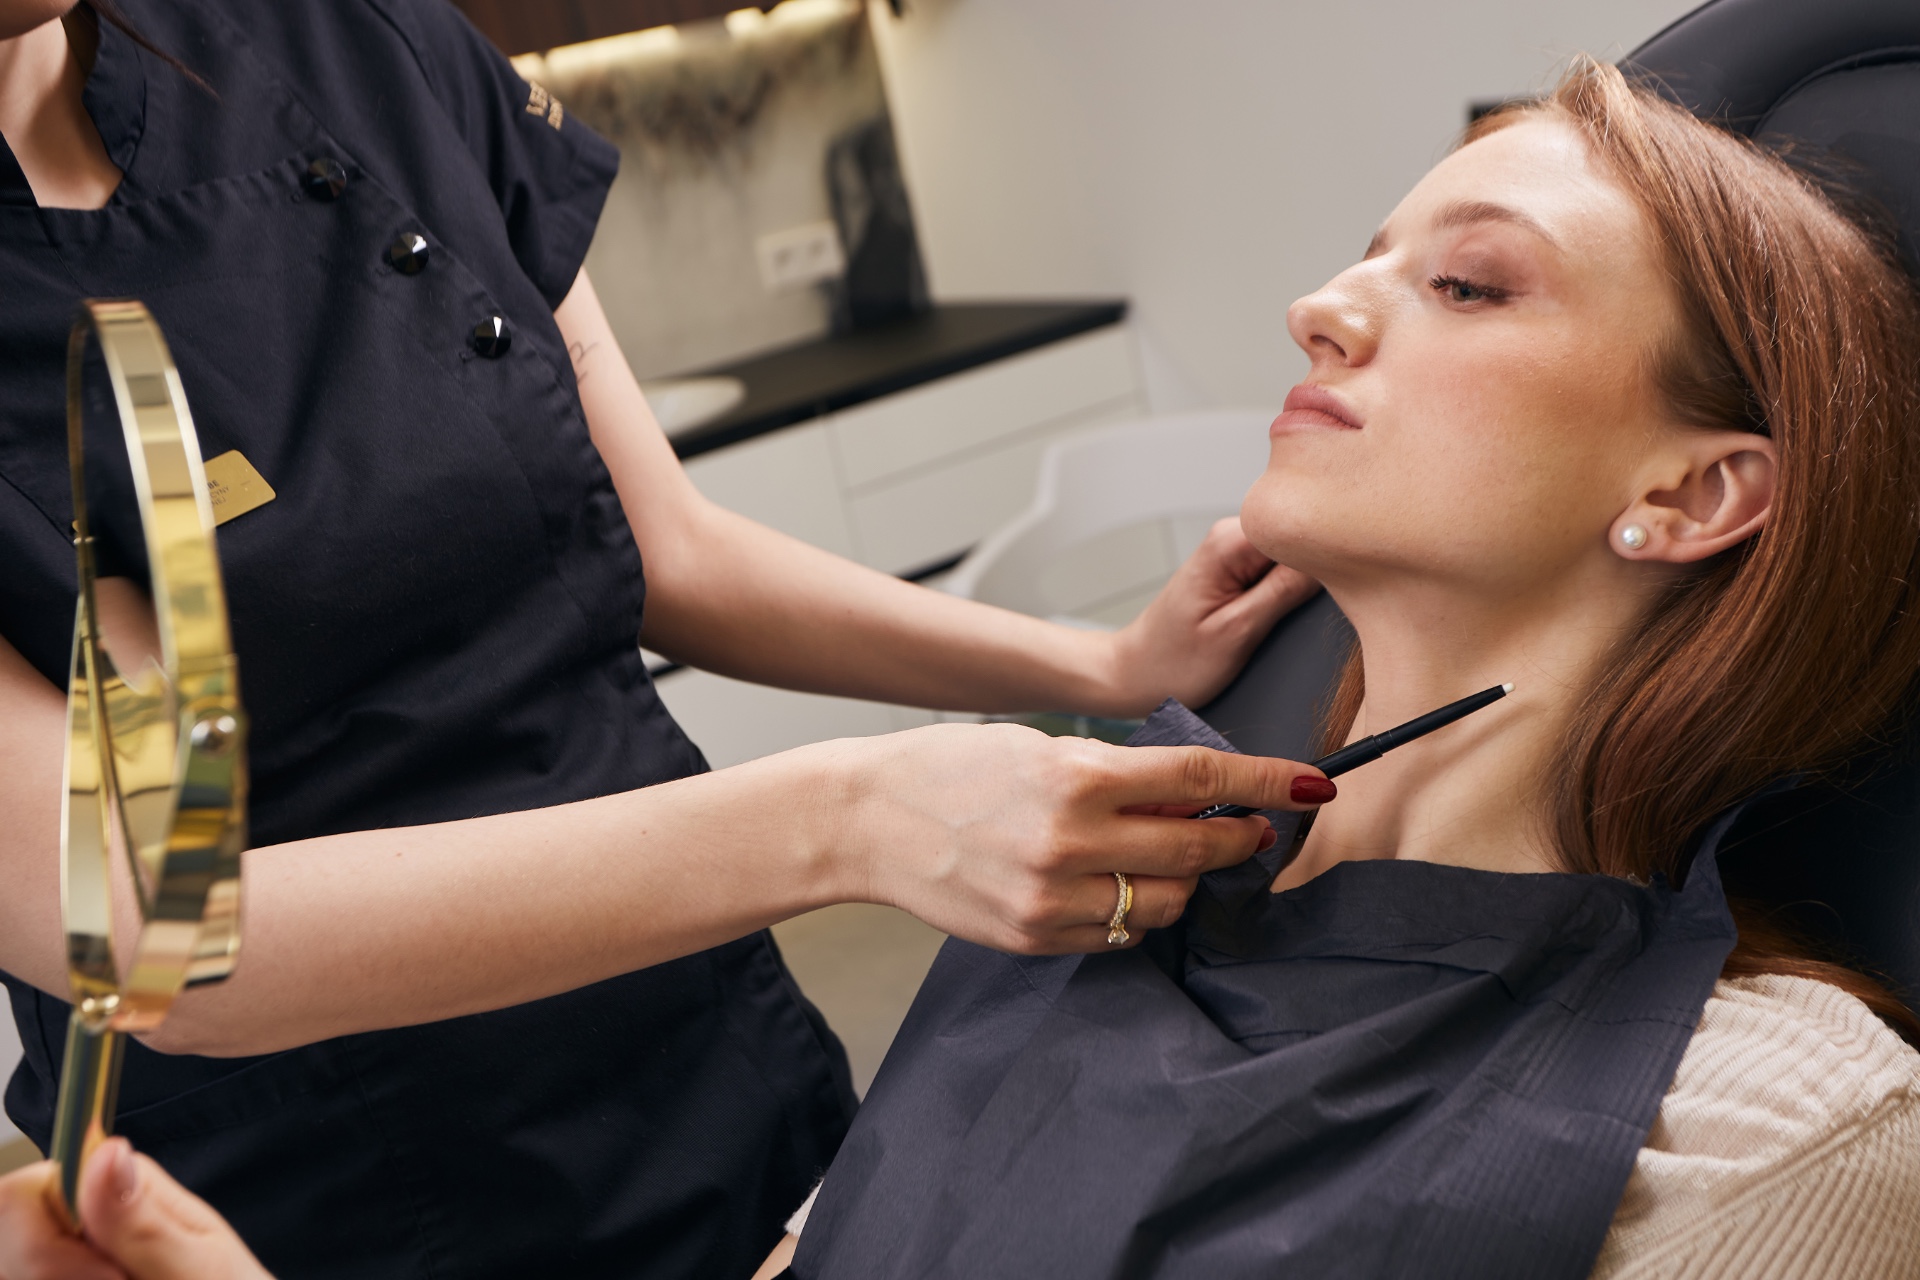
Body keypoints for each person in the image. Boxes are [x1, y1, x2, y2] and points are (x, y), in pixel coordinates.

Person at [0, 1, 1332, 1275]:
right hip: (337, 1188)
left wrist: (1103, 666)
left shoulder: (351, 40)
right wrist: (850, 819)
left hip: (706, 1056)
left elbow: (665, 548)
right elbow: (161, 932)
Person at [774, 60, 1920, 1280]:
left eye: (1468, 284)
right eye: (1366, 259)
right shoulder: (1085, 877)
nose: (1315, 307)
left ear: (1692, 493)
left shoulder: (1768, 1124)